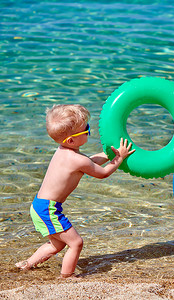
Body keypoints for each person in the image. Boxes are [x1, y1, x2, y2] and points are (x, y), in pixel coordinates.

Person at [15, 104, 135, 278]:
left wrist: (109, 155)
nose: (88, 131)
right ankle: (67, 278)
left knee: (57, 245)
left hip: (40, 206)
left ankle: (27, 265)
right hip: (48, 209)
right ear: (71, 140)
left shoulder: (64, 151)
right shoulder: (77, 159)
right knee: (76, 243)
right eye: (86, 130)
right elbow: (101, 173)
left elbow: (88, 162)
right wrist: (119, 158)